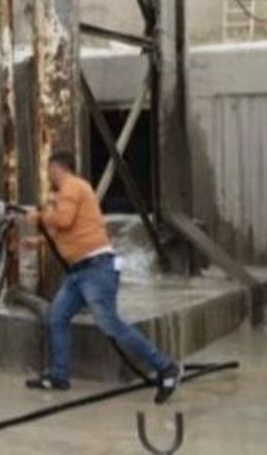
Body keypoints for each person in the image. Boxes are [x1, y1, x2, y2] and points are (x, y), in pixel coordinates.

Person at [23, 150, 182, 405]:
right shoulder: (69, 192)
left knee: (111, 324)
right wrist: (39, 240)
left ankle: (166, 367)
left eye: (50, 170)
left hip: (96, 269)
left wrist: (40, 215)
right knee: (57, 316)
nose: (49, 176)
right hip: (79, 272)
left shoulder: (72, 186)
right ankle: (59, 375)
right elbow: (68, 230)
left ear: (56, 168)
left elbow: (64, 220)